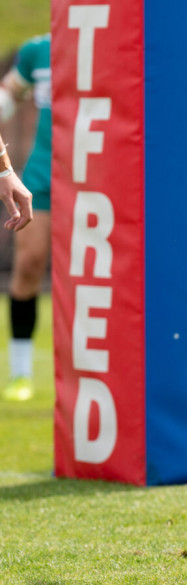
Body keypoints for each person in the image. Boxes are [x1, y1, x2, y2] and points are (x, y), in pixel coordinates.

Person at [1, 33, 50, 402]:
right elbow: (7, 98)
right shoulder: (38, 50)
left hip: (106, 180)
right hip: (44, 175)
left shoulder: (125, 41)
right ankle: (21, 373)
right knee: (29, 264)